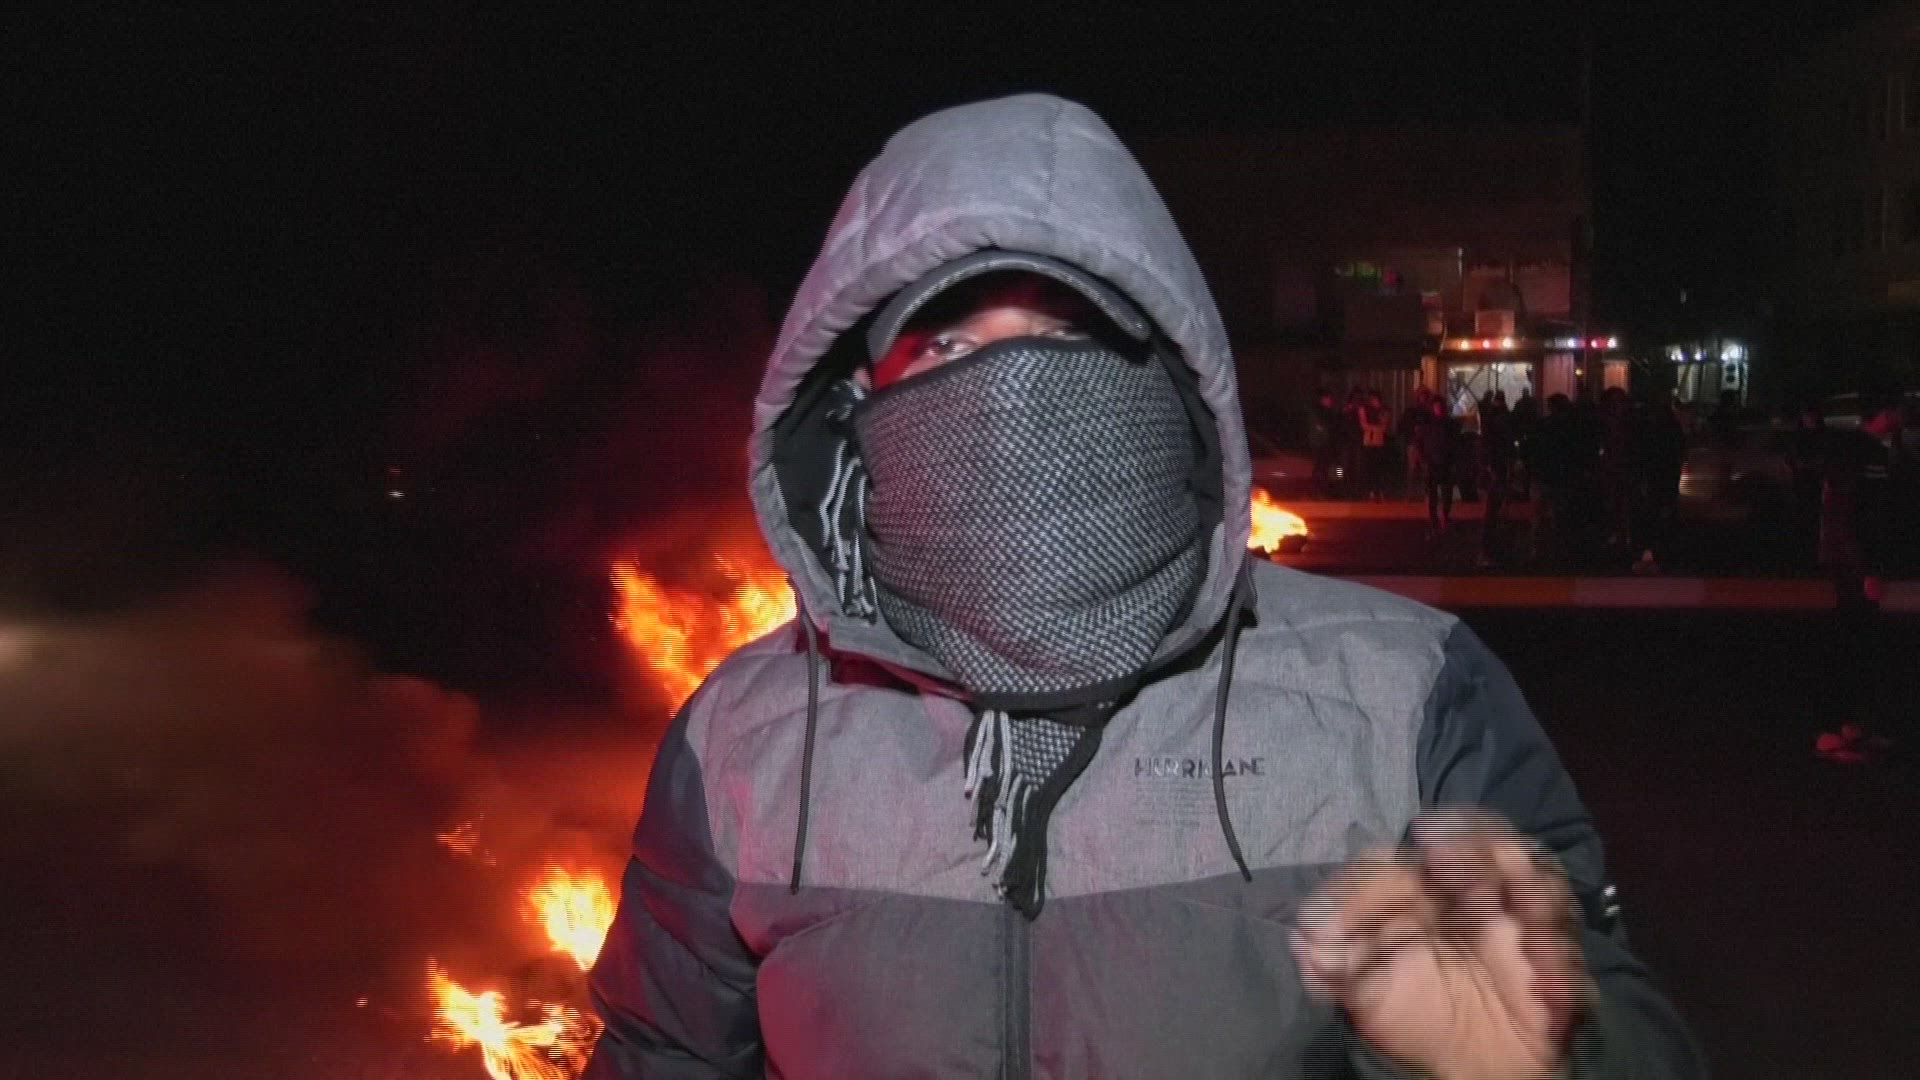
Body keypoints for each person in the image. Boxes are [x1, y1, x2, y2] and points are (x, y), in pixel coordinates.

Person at [585, 94, 1701, 1080]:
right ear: (855, 413)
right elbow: (663, 1056)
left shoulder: (1402, 697)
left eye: (1067, 334)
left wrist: (1559, 1063)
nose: (1013, 389)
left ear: (1170, 373)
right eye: (947, 349)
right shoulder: (742, 745)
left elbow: (1600, 1008)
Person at [1415, 394, 1459, 539]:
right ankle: (1434, 519)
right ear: (1433, 408)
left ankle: (1445, 516)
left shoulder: (1450, 424)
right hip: (1432, 463)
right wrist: (1423, 460)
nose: (1439, 409)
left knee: (1446, 493)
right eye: (1436, 406)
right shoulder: (1427, 424)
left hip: (1446, 462)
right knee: (1433, 494)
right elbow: (1419, 443)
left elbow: (1455, 444)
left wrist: (1454, 461)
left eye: (1440, 406)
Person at [1308, 387, 1339, 498]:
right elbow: (1319, 427)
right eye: (1328, 399)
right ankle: (1317, 490)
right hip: (1320, 443)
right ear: (1323, 399)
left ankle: (1327, 489)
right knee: (1320, 467)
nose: (1330, 401)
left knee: (1329, 467)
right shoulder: (1317, 412)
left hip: (1329, 443)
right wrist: (1325, 432)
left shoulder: (1330, 412)